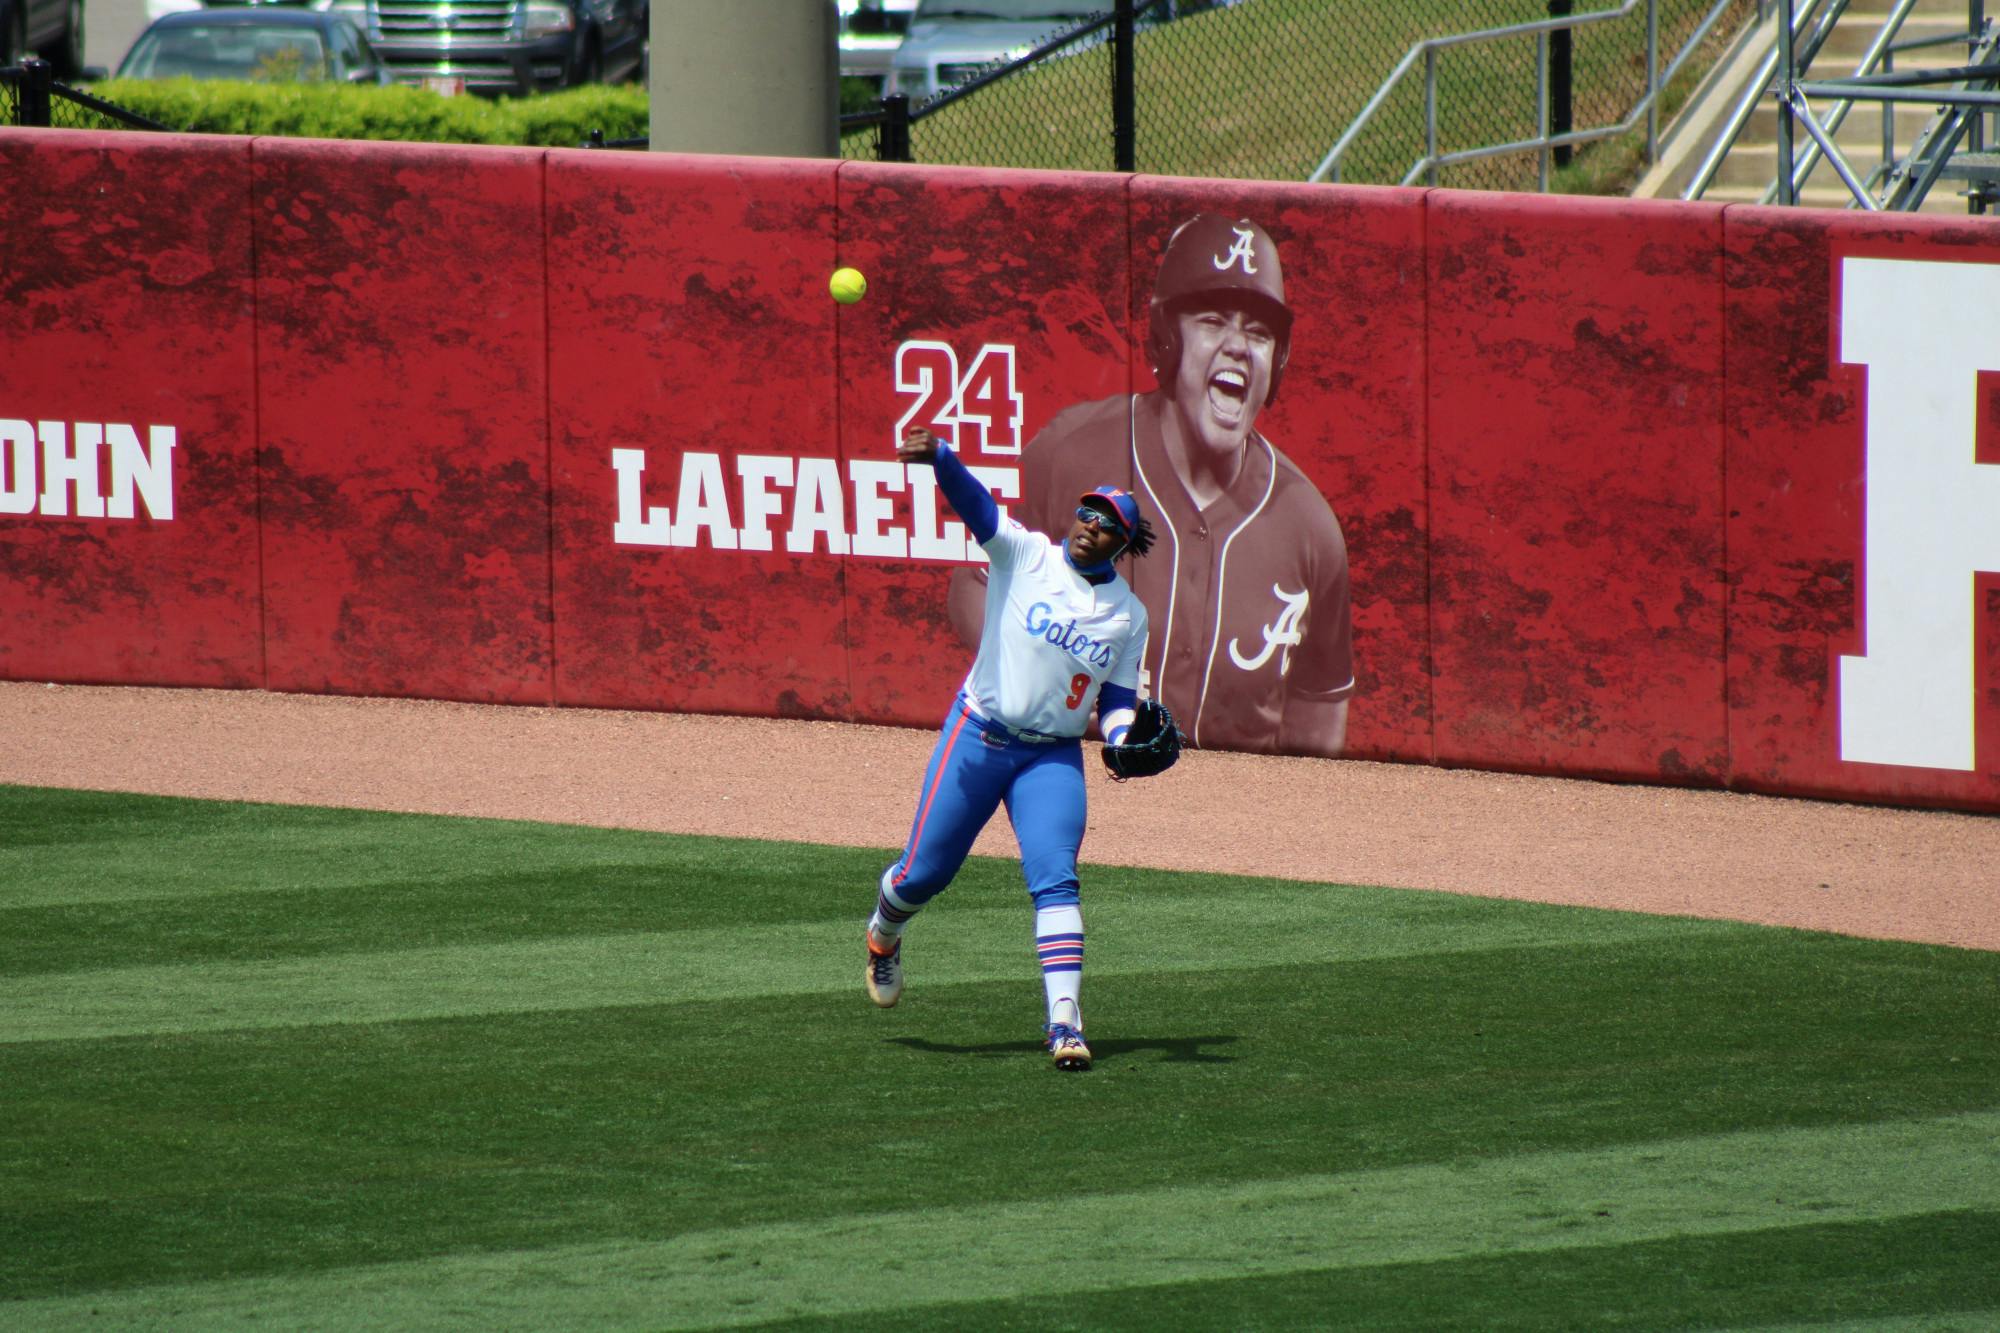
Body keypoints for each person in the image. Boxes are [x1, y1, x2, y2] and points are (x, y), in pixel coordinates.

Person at [949, 213, 1354, 758]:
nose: (1238, 346)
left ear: (1277, 362)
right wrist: (1041, 672)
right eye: (1213, 321)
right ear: (1167, 340)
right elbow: (973, 588)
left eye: (1257, 332)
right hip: (1083, 780)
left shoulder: (1309, 527)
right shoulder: (1072, 453)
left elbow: (1319, 711)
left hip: (1238, 821)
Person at [866, 423, 1155, 1072]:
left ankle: (1065, 1023)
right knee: (923, 874)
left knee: (1057, 881)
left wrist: (1119, 739)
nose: (1088, 525)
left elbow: (1114, 700)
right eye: (1085, 512)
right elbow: (977, 505)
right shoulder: (1026, 554)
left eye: (1105, 522)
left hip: (1050, 757)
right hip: (977, 735)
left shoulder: (1127, 615)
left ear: (1123, 543)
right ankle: (884, 935)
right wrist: (942, 456)